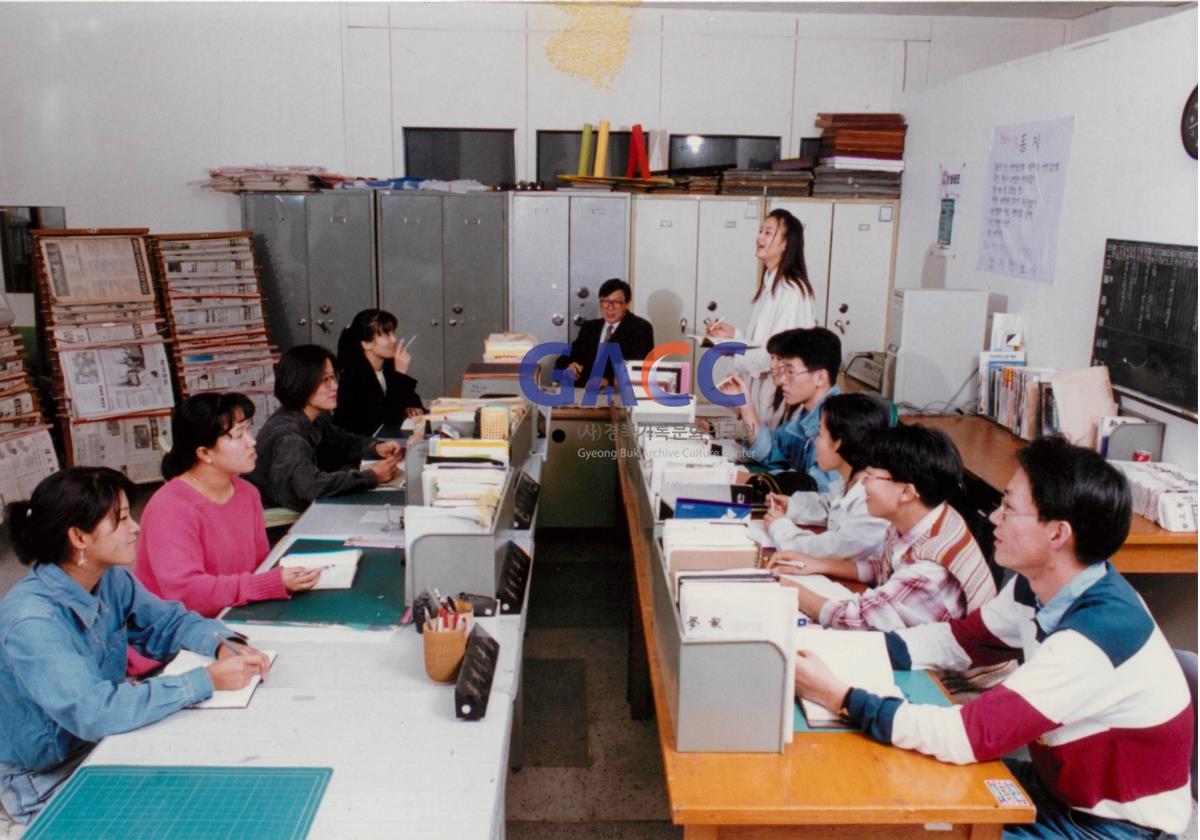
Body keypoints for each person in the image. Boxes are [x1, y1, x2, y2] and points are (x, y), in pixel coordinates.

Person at [793, 437, 1193, 839]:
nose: (995, 518)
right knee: (883, 786)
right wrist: (843, 649)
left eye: (1010, 508)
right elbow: (957, 641)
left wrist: (840, 698)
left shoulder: (1098, 633)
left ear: (1057, 534)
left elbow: (968, 735)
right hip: (1058, 791)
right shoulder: (1039, 587)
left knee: (903, 825)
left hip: (1113, 828)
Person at [0, 467, 271, 824]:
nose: (136, 527)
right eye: (122, 519)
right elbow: (94, 712)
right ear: (79, 537)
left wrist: (223, 644)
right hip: (49, 778)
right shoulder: (32, 621)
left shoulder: (107, 578)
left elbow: (169, 622)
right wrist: (205, 680)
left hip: (105, 743)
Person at [129, 393, 323, 675]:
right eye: (238, 434)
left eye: (248, 430)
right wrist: (267, 584)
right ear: (204, 453)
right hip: (174, 647)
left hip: (233, 624)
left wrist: (279, 578)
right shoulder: (170, 507)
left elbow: (258, 568)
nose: (252, 441)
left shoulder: (247, 493)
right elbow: (187, 594)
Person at [777, 423, 996, 634]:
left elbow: (854, 621)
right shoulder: (923, 516)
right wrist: (819, 565)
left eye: (871, 476)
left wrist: (786, 588)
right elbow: (885, 566)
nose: (863, 484)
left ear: (907, 492)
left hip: (940, 672)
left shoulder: (931, 571)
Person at [246, 345, 401, 512]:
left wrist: (376, 447)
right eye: (324, 380)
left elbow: (342, 441)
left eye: (333, 377)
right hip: (284, 524)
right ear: (301, 383)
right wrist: (372, 476)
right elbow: (310, 486)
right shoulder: (289, 437)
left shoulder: (305, 417)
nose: (334, 386)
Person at [706, 209, 817, 429]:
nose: (759, 238)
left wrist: (733, 348)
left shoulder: (791, 291)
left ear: (786, 243)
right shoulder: (771, 283)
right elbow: (764, 342)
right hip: (761, 393)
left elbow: (775, 355)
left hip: (775, 396)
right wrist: (734, 336)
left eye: (768, 233)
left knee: (766, 451)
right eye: (760, 231)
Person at [761, 393, 891, 560]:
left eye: (820, 434)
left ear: (838, 443)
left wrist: (780, 528)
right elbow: (830, 507)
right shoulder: (850, 480)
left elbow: (829, 550)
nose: (815, 441)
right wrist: (791, 505)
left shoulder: (872, 499)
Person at [723, 327, 841, 492]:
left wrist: (753, 480)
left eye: (790, 372)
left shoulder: (837, 424)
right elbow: (773, 451)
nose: (782, 380)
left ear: (819, 377)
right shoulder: (806, 414)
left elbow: (819, 495)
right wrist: (746, 406)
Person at [333, 309, 424, 437]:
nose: (394, 339)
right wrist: (400, 375)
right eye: (386, 334)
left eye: (393, 332)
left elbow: (412, 400)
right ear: (365, 344)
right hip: (363, 449)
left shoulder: (388, 366)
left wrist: (411, 407)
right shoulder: (353, 376)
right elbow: (387, 421)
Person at [555, 278, 655, 387]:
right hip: (583, 394)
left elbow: (640, 371)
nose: (609, 307)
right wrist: (568, 367)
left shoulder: (641, 328)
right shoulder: (589, 328)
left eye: (616, 302)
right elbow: (562, 361)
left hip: (618, 397)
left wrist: (608, 382)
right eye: (605, 301)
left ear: (627, 304)